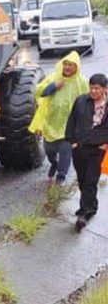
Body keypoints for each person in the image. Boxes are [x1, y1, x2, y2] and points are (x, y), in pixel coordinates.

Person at [29, 51, 88, 185]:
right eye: (65, 64)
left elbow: (89, 99)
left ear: (76, 67)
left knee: (65, 151)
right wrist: (53, 86)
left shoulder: (82, 82)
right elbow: (38, 92)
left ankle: (61, 176)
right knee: (49, 149)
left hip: (69, 125)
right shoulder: (53, 78)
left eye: (71, 65)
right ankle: (53, 163)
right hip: (50, 123)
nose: (67, 67)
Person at [65, 73, 108, 232]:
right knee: (82, 179)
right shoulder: (81, 101)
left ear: (104, 89)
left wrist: (105, 144)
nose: (93, 91)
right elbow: (72, 120)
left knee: (91, 180)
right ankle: (91, 205)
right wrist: (72, 142)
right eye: (91, 87)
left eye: (97, 88)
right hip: (80, 146)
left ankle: (84, 213)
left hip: (98, 149)